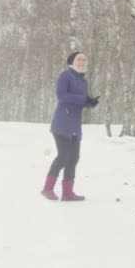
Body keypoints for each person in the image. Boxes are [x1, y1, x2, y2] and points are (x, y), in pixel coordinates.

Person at [40, 51, 99, 201]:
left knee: (73, 158)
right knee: (63, 156)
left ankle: (67, 193)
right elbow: (62, 96)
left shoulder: (83, 81)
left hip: (75, 125)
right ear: (72, 62)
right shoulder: (65, 76)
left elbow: (80, 101)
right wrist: (83, 98)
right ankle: (47, 189)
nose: (82, 62)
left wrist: (90, 102)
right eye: (79, 59)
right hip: (62, 123)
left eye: (84, 60)